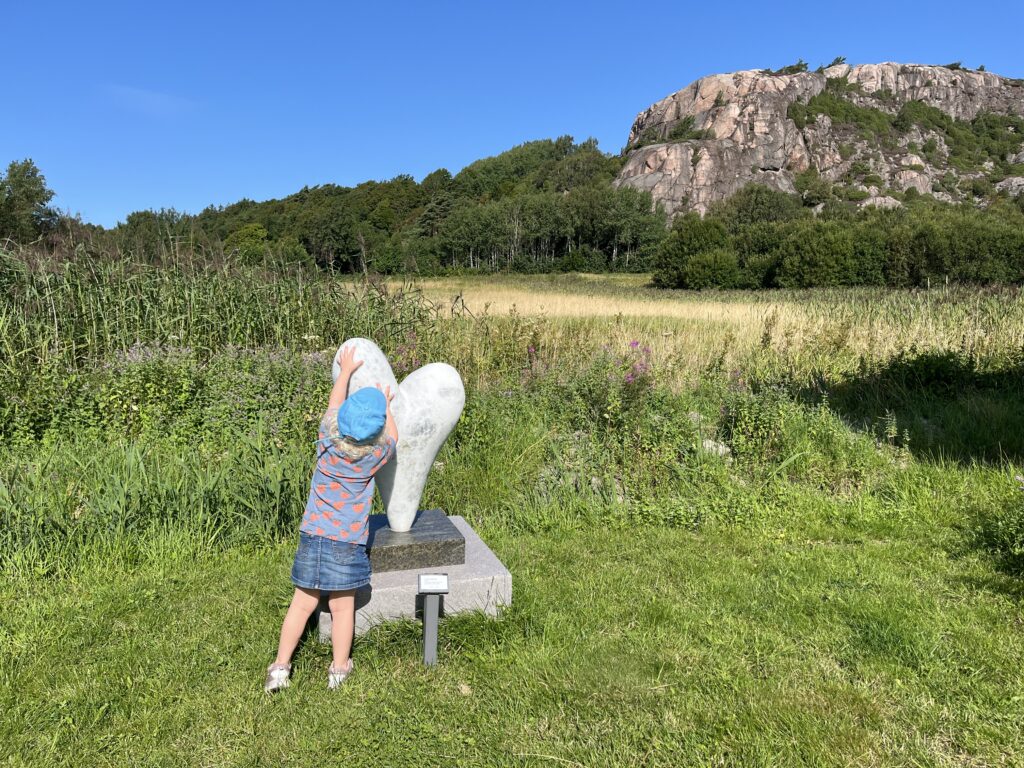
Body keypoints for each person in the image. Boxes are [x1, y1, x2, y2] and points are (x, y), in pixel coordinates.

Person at [265, 346, 398, 692]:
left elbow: (334, 404)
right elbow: (394, 439)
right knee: (342, 608)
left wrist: (346, 371)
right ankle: (339, 670)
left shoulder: (326, 441)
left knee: (301, 605)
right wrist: (386, 405)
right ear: (376, 430)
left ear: (342, 422)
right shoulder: (373, 457)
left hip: (312, 536)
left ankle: (280, 667)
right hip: (346, 543)